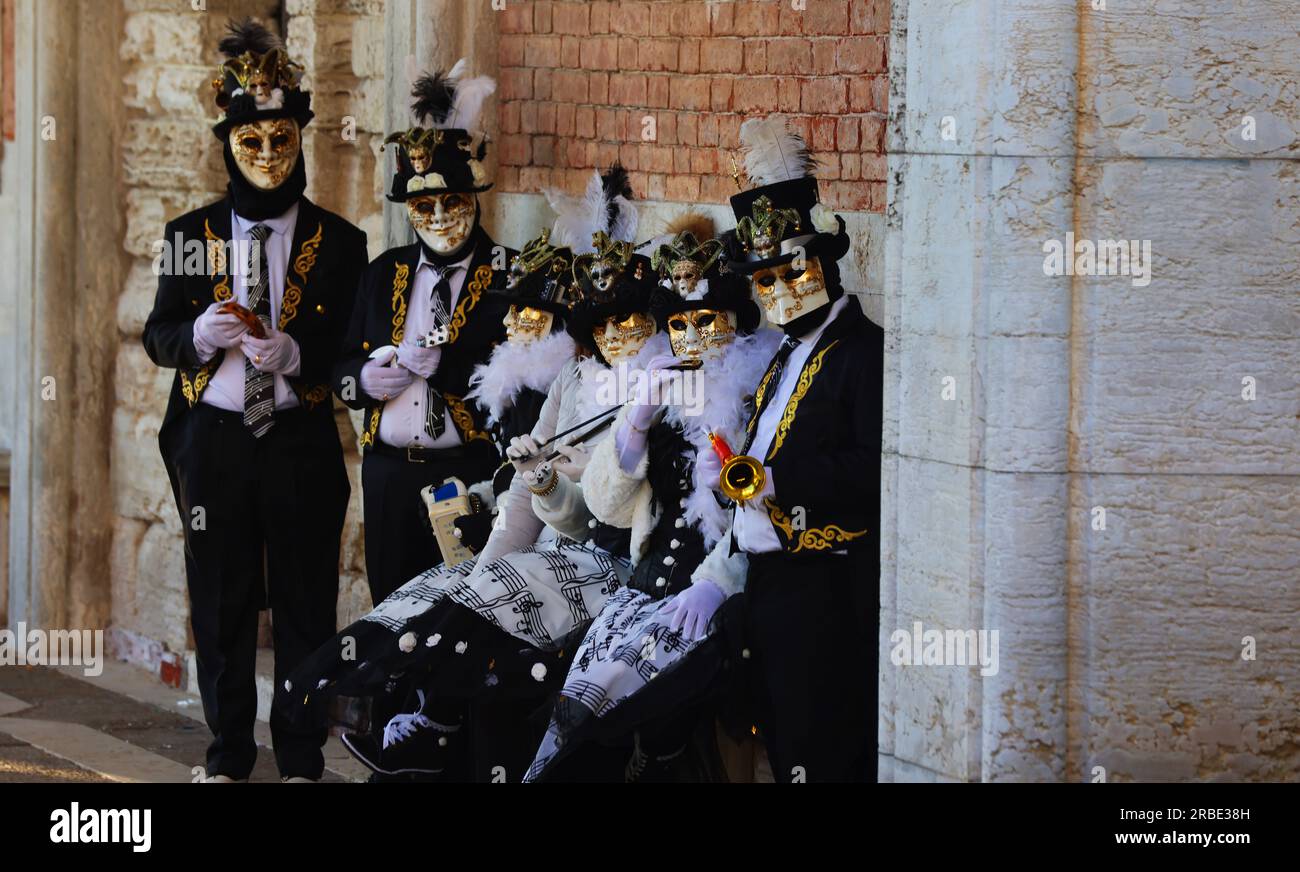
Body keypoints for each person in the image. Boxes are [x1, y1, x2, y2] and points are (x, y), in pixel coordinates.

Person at [142, 19, 367, 783]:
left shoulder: (343, 242)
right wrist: (198, 335)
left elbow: (352, 355)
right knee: (223, 604)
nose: (268, 156)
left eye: (282, 139)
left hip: (299, 439)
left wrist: (299, 356)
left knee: (306, 603)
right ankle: (228, 755)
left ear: (300, 136)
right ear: (227, 142)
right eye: (251, 141)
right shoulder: (187, 234)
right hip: (216, 440)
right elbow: (157, 335)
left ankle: (301, 759)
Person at [525, 214, 779, 782]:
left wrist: (721, 580)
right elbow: (607, 509)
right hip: (648, 580)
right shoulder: (666, 391)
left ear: (737, 321)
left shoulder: (763, 397)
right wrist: (634, 426)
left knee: (654, 708)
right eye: (681, 324)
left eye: (708, 320)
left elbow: (768, 515)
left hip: (724, 587)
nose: (693, 337)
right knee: (581, 699)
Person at [699, 116, 884, 782]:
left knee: (821, 751)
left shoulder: (863, 354)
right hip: (767, 585)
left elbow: (879, 468)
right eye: (763, 275)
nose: (776, 287)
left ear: (824, 262)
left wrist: (778, 479)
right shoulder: (783, 356)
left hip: (827, 589)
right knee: (771, 740)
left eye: (791, 270)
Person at [335, 59, 512, 606]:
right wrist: (363, 380)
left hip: (467, 475)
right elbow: (339, 368)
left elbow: (531, 387)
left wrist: (451, 369)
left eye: (450, 202)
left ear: (474, 198)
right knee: (391, 613)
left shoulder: (511, 274)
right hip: (387, 477)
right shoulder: (383, 271)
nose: (437, 217)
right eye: (422, 205)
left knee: (462, 614)